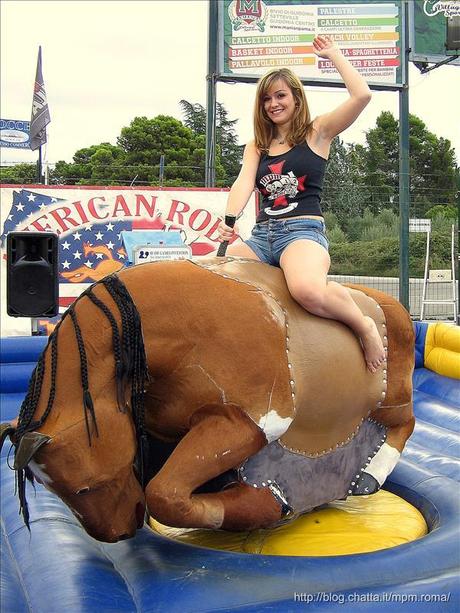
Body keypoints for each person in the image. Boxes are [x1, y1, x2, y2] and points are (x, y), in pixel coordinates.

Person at [217, 34, 386, 373]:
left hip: (302, 233)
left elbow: (363, 95)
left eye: (280, 95)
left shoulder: (317, 132)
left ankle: (362, 324)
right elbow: (244, 183)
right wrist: (230, 219)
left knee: (307, 290)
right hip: (262, 237)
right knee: (211, 275)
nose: (273, 104)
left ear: (296, 98)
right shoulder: (257, 145)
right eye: (266, 99)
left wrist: (334, 54)